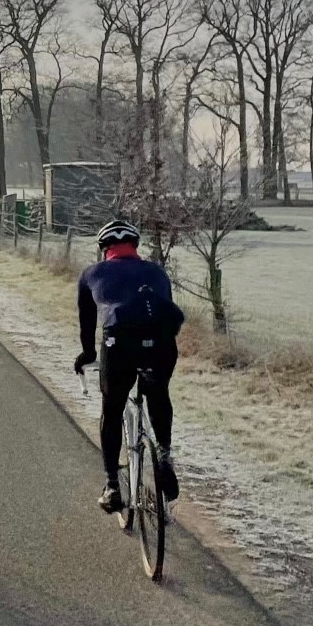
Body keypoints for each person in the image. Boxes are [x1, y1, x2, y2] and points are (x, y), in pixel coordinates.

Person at [72, 218, 184, 514]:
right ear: (135, 246)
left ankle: (111, 485)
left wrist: (86, 355)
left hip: (120, 342)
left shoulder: (91, 274)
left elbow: (87, 325)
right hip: (161, 341)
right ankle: (164, 455)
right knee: (158, 392)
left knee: (112, 409)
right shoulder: (156, 271)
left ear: (104, 249)